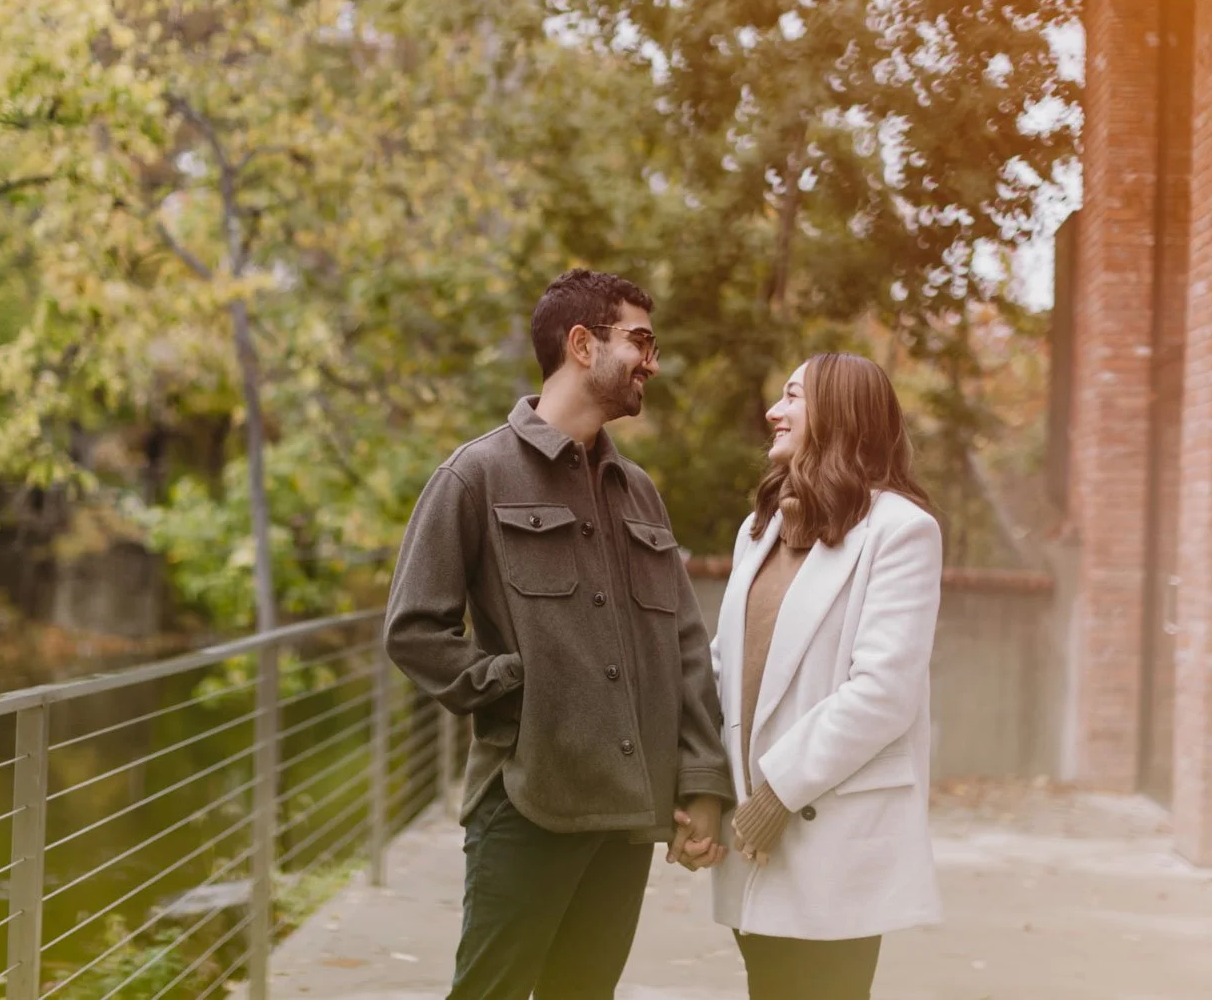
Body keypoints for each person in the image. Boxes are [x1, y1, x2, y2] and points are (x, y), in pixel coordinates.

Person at [385, 268, 734, 1000]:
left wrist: (702, 781)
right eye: (640, 341)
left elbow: (684, 645)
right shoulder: (474, 475)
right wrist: (517, 691)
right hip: (527, 801)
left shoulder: (639, 492)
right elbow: (415, 628)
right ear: (582, 344)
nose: (651, 362)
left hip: (626, 814)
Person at [693, 351, 944, 999]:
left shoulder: (902, 531)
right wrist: (701, 787)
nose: (773, 411)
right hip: (751, 834)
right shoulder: (762, 528)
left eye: (792, 396)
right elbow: (723, 666)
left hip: (829, 835)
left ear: (840, 412)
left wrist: (776, 792)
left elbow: (883, 692)